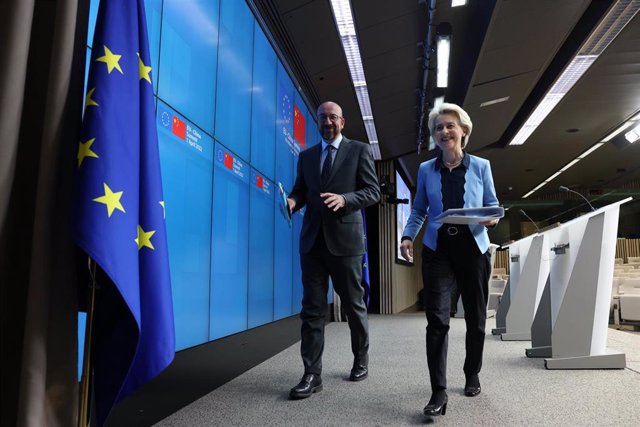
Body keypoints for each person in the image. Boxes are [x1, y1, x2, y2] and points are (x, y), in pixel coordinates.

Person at [400, 102, 499, 417]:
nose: (444, 131)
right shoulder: (427, 169)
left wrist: (491, 219)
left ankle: (472, 371)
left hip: (473, 249)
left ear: (463, 130)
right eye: (438, 128)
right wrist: (406, 236)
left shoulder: (481, 166)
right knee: (437, 321)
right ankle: (438, 391)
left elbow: (493, 206)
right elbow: (418, 210)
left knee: (475, 317)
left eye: (449, 126)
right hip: (438, 250)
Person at [287, 101, 380, 399]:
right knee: (312, 310)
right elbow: (300, 191)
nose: (327, 122)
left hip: (346, 243)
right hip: (312, 243)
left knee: (354, 306)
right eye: (322, 118)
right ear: (317, 121)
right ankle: (312, 374)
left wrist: (346, 199)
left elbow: (372, 191)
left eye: (332, 117)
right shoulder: (306, 156)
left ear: (343, 121)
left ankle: (361, 359)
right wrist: (291, 203)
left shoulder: (359, 151)